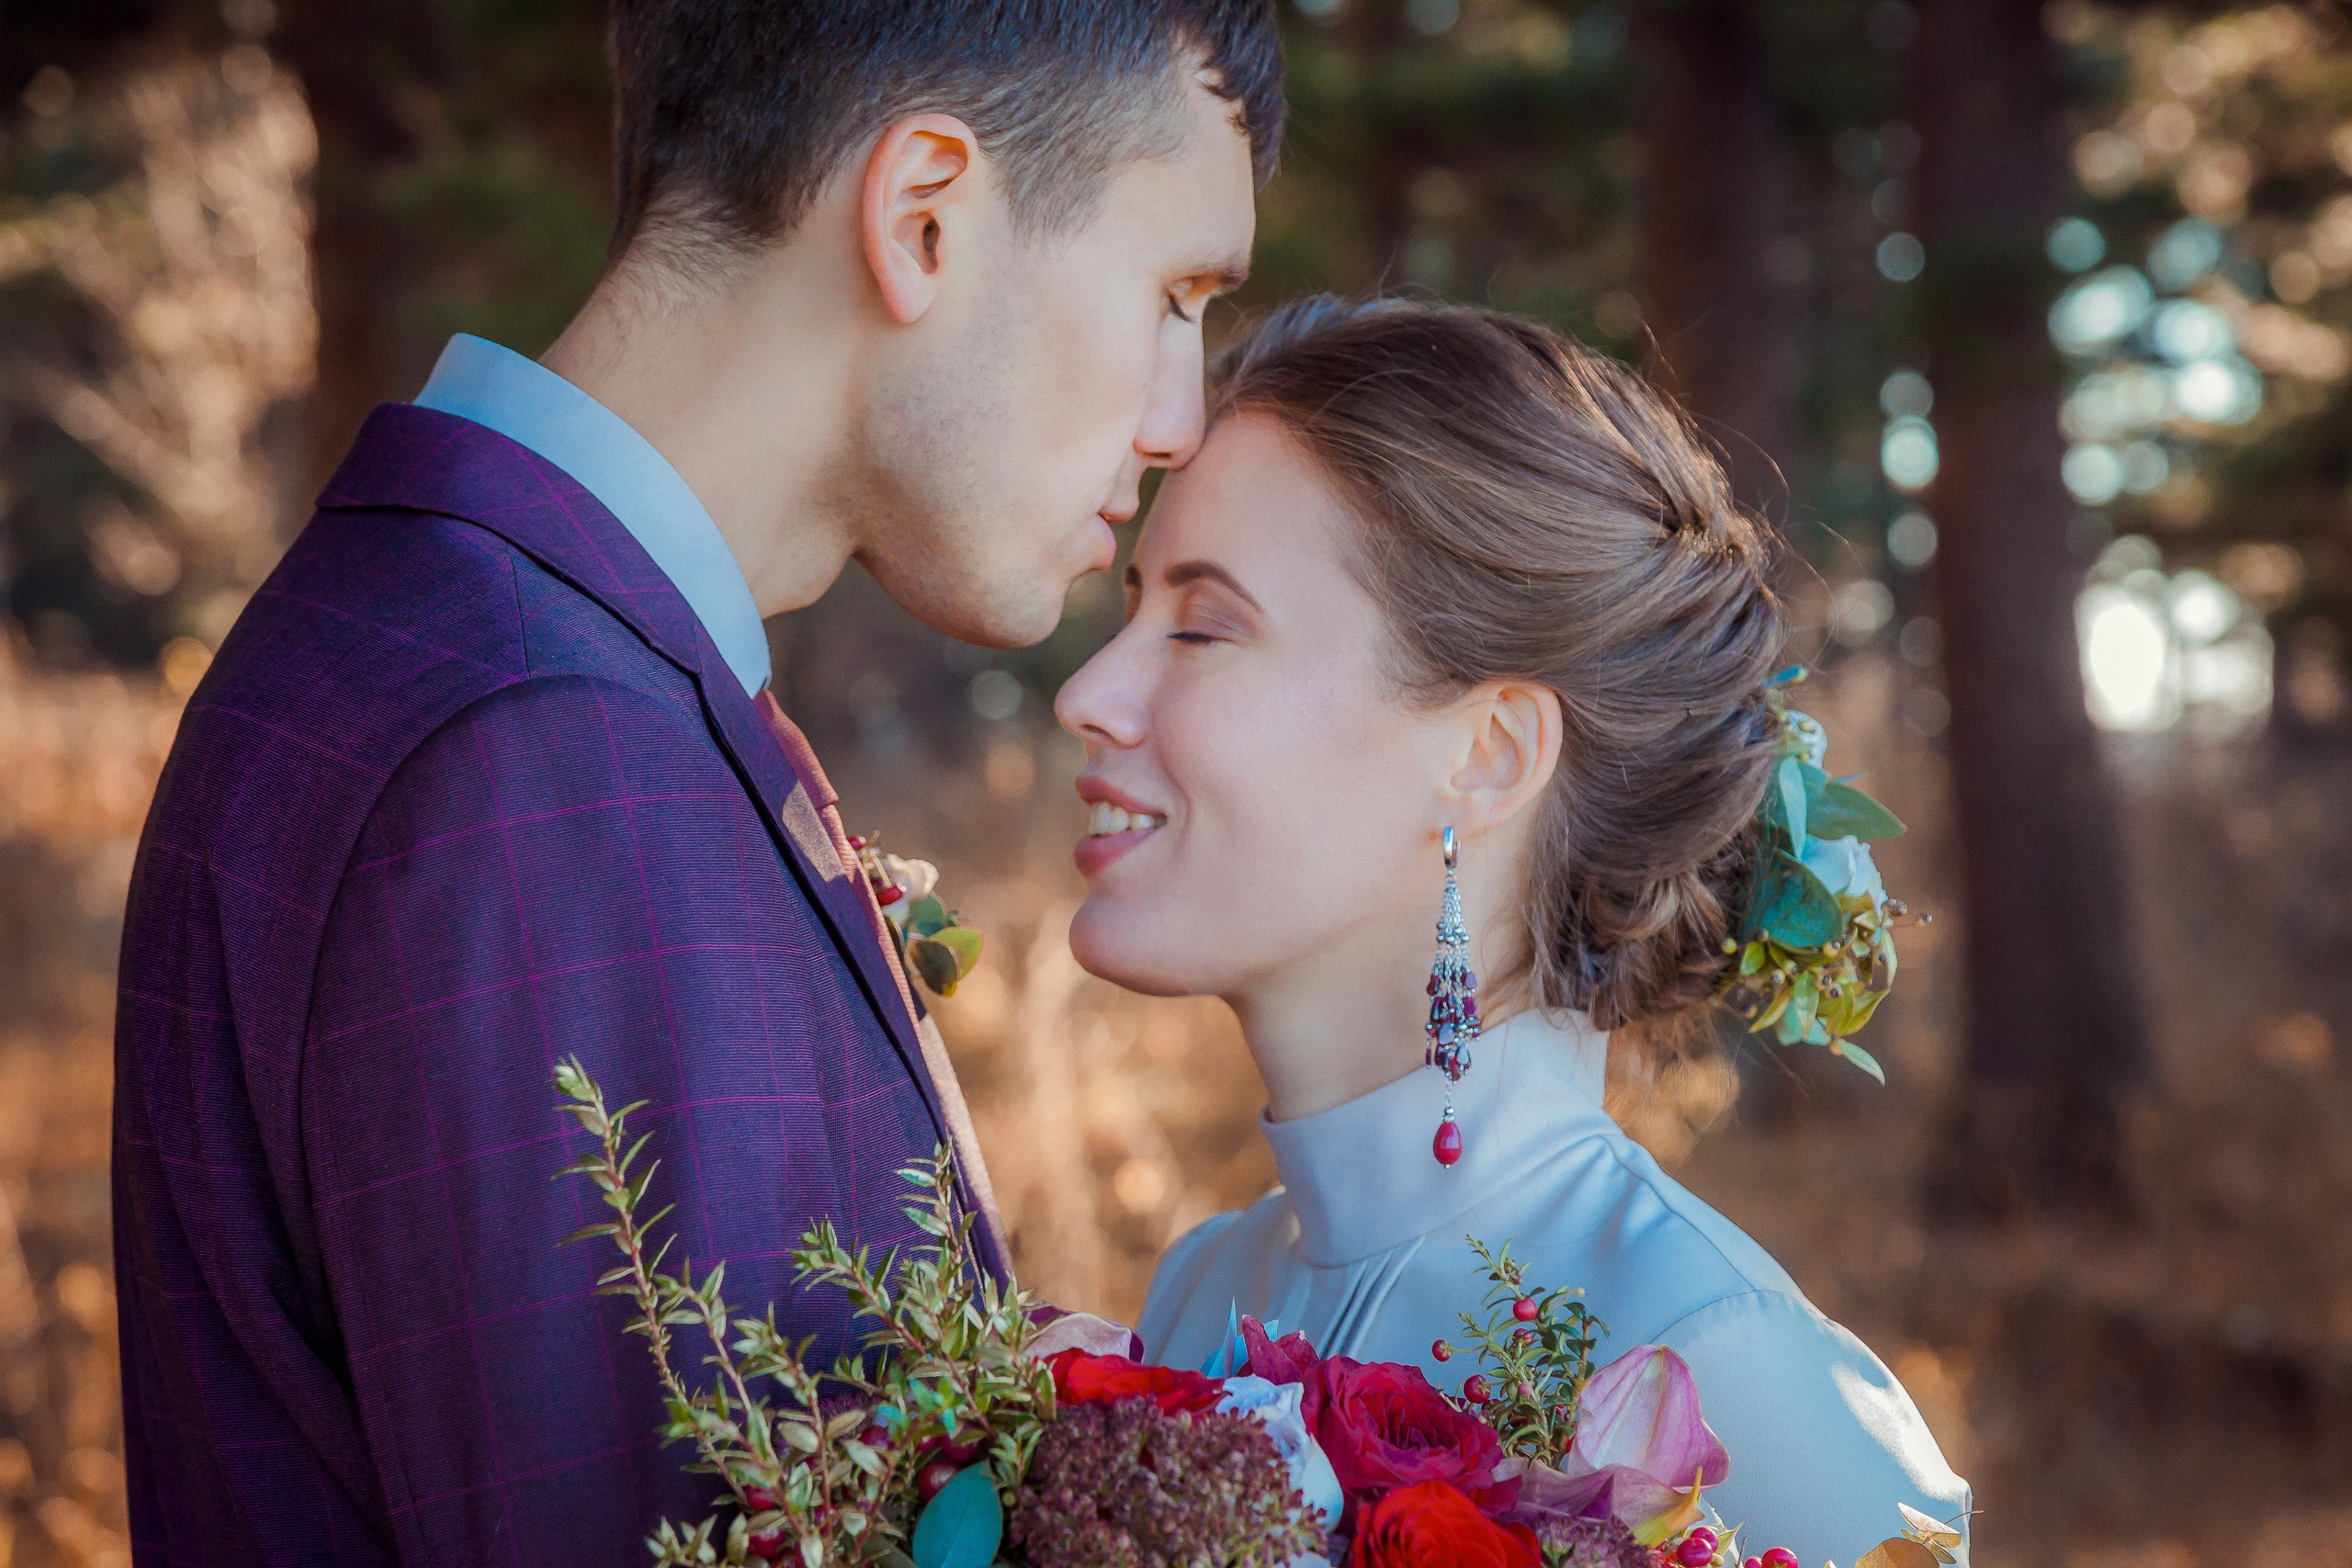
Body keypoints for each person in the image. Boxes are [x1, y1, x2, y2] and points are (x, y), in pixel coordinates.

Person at [109, 5, 1277, 1563]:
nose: (1179, 419)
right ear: (923, 213)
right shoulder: (539, 762)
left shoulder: (485, 649)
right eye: (1174, 294)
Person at [1055, 298, 1973, 1565]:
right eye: (1131, 610)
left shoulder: (1716, 1364)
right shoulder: (1202, 1296)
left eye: (1203, 627)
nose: (1087, 694)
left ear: (1487, 756)